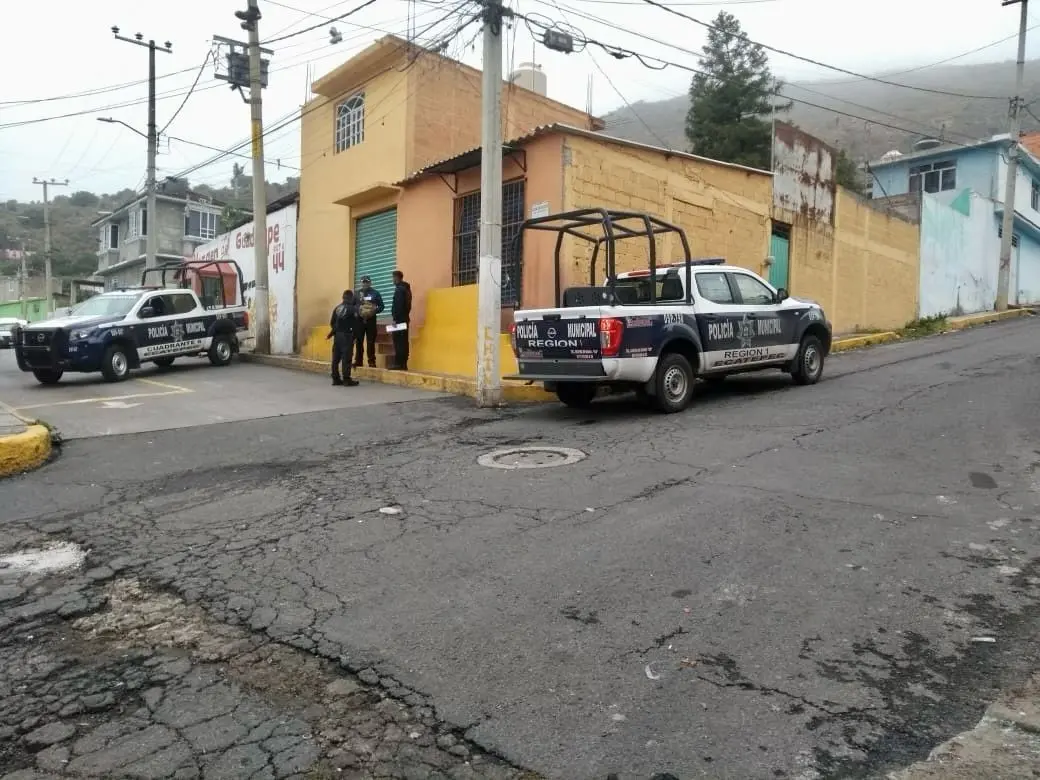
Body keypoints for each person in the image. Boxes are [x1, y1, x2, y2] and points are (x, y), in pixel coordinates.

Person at [327, 290, 360, 386]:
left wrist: (335, 331)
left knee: (336, 358)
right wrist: (356, 336)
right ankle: (346, 379)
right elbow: (356, 324)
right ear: (351, 298)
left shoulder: (337, 308)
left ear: (343, 297)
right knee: (347, 357)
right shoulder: (352, 309)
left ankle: (335, 378)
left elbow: (332, 322)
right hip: (347, 336)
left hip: (337, 335)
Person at [353, 275, 383, 368]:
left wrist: (374, 311)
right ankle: (358, 361)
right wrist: (358, 311)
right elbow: (352, 305)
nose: (365, 283)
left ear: (370, 283)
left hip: (371, 321)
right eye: (363, 282)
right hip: (359, 321)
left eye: (367, 282)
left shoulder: (375, 293)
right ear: (361, 283)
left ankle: (371, 362)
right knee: (359, 342)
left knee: (371, 342)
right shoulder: (356, 294)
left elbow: (381, 306)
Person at [389, 270, 412, 370]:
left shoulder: (399, 290)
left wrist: (395, 319)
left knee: (398, 341)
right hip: (405, 319)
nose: (392, 280)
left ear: (397, 278)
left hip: (399, 320)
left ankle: (398, 364)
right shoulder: (406, 289)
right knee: (403, 341)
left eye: (393, 277)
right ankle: (403, 364)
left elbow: (398, 306)